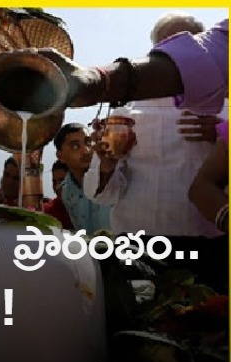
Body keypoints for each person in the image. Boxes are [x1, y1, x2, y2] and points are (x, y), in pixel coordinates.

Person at [84, 12, 225, 239]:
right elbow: (102, 196)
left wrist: (221, 133)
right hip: (137, 244)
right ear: (155, 53)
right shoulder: (124, 116)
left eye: (188, 44)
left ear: (204, 52)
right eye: (170, 46)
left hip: (206, 244)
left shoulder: (223, 110)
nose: (179, 56)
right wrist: (106, 166)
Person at [15, 18, 228, 115]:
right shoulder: (126, 111)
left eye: (182, 41)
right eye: (165, 45)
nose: (173, 53)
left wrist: (216, 133)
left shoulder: (219, 109)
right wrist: (95, 81)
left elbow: (207, 60)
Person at [54, 123, 111, 234]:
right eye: (75, 146)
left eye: (88, 142)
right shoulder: (67, 192)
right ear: (60, 156)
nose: (86, 150)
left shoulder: (109, 177)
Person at [42, 160, 73, 230]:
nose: (57, 186)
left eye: (62, 180)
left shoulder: (87, 207)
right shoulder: (50, 210)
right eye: (54, 181)